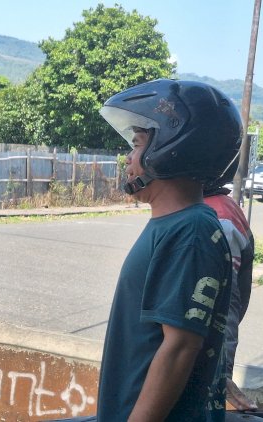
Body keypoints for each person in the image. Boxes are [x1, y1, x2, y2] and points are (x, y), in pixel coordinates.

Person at [97, 79, 241, 421]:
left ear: (171, 149)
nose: (129, 158)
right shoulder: (178, 224)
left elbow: (178, 348)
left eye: (136, 145)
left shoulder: (189, 231)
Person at [203, 177, 257, 411]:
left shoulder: (219, 218)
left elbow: (225, 308)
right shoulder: (200, 208)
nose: (132, 158)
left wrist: (220, 373)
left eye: (138, 145)